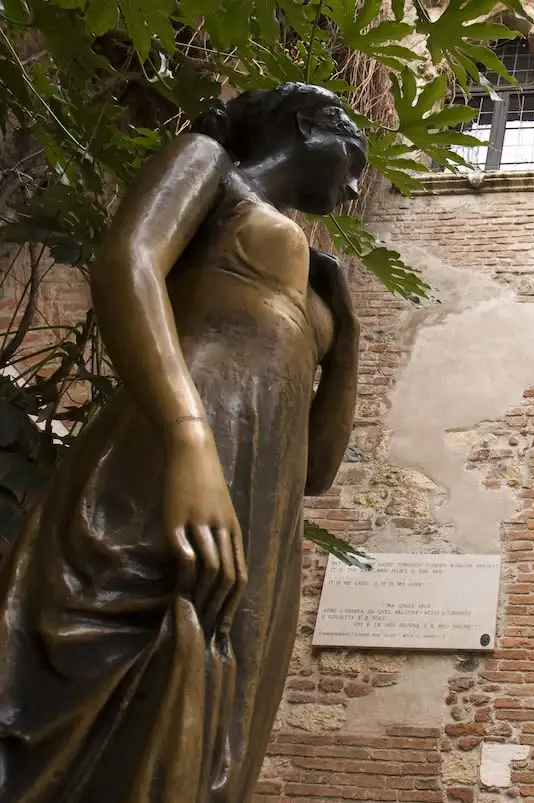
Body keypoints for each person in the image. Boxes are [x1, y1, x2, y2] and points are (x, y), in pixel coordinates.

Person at [0, 82, 364, 803]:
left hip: (261, 507)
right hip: (174, 449)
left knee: (213, 726)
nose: (355, 187)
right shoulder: (210, 167)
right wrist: (188, 440)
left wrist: (346, 335)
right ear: (305, 124)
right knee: (113, 646)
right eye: (353, 158)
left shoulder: (325, 290)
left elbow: (319, 470)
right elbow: (127, 263)